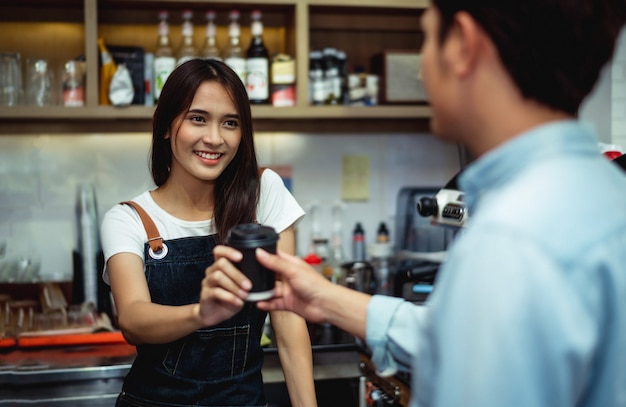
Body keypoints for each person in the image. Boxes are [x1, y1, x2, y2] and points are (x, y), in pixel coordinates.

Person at [209, 1, 626, 406]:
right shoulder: (604, 191)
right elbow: (460, 340)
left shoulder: (511, 236)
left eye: (425, 39)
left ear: (462, 44)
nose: (422, 69)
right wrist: (323, 299)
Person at [100, 58, 317, 407]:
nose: (214, 139)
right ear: (166, 126)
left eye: (230, 123)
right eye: (197, 118)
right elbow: (133, 318)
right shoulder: (129, 219)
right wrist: (202, 313)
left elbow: (288, 317)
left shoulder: (265, 194)